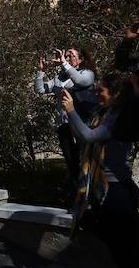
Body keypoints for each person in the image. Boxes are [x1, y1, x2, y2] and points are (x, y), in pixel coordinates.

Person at [60, 74, 139, 268]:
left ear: (116, 94)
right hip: (102, 191)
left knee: (127, 250)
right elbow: (82, 136)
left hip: (116, 190)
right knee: (120, 248)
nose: (97, 94)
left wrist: (70, 110)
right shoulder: (101, 114)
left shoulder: (118, 118)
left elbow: (90, 136)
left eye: (101, 91)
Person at [35, 47, 97, 186]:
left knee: (86, 161)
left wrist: (64, 63)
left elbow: (80, 81)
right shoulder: (61, 76)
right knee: (72, 163)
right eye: (66, 55)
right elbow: (40, 89)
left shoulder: (87, 74)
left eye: (71, 56)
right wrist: (41, 71)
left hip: (82, 124)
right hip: (64, 125)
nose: (67, 58)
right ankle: (77, 198)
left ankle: (91, 198)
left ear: (81, 59)